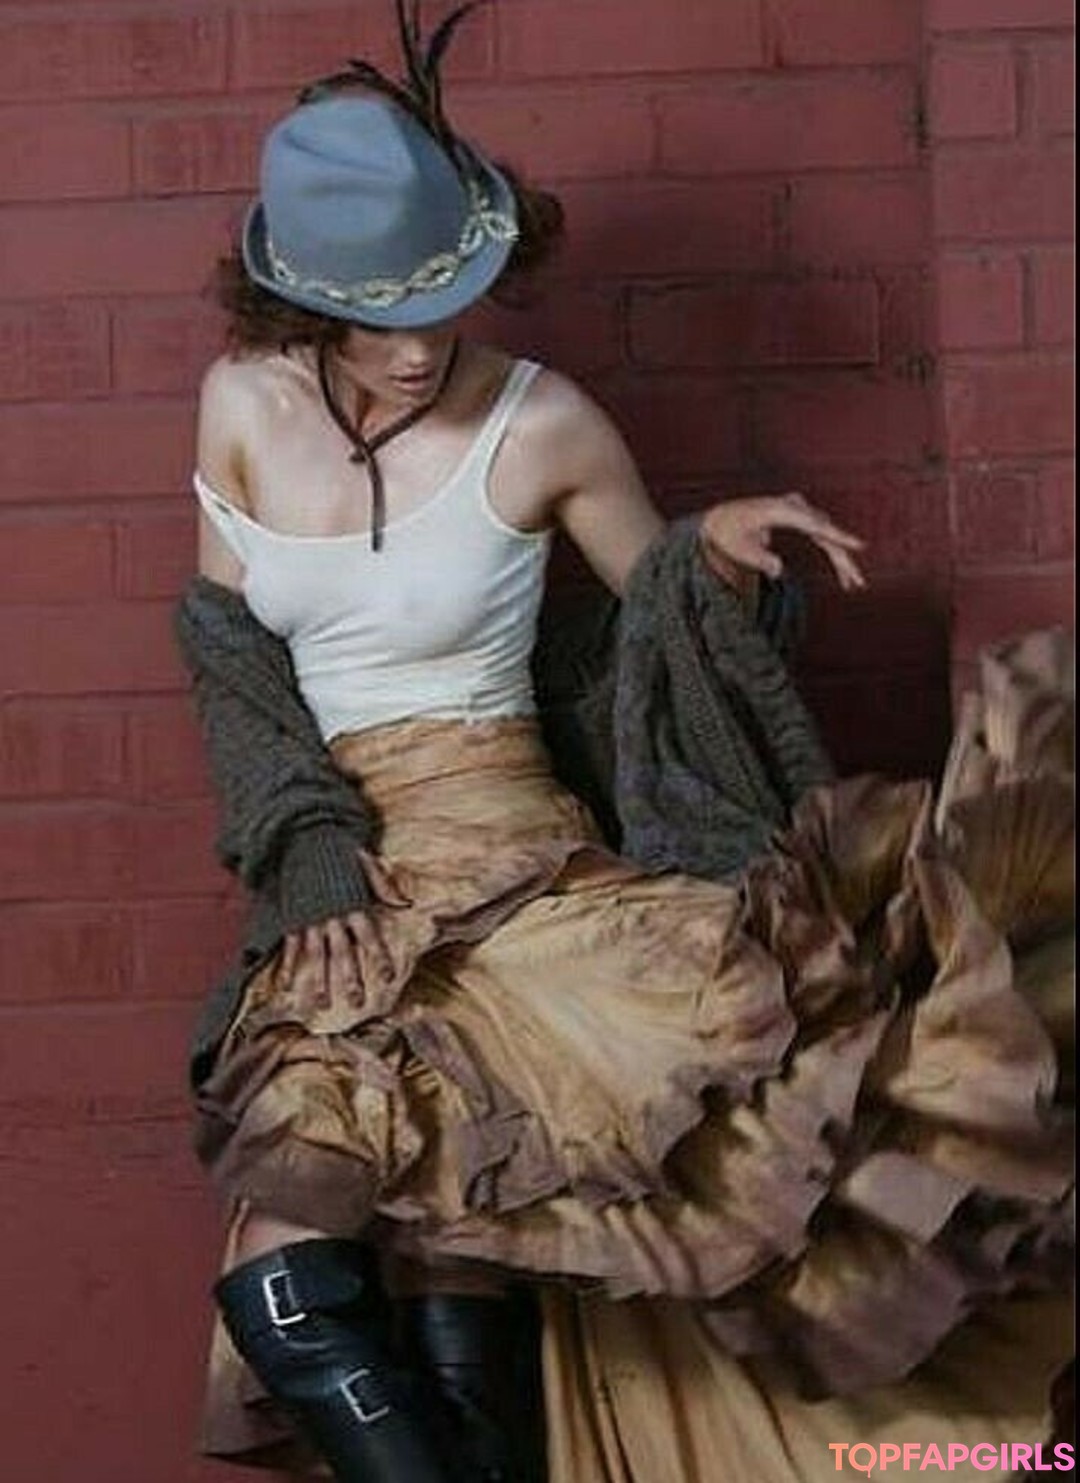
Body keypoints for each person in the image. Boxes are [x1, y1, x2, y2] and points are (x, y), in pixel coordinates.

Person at [179, 8, 1074, 1481]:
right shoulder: (237, 409)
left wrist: (710, 557)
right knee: (299, 1257)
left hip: (523, 879)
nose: (418, 350)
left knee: (476, 1259)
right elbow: (231, 661)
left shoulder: (545, 425)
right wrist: (307, 847)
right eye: (381, 318)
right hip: (345, 896)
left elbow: (652, 624)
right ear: (303, 302)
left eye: (446, 304)